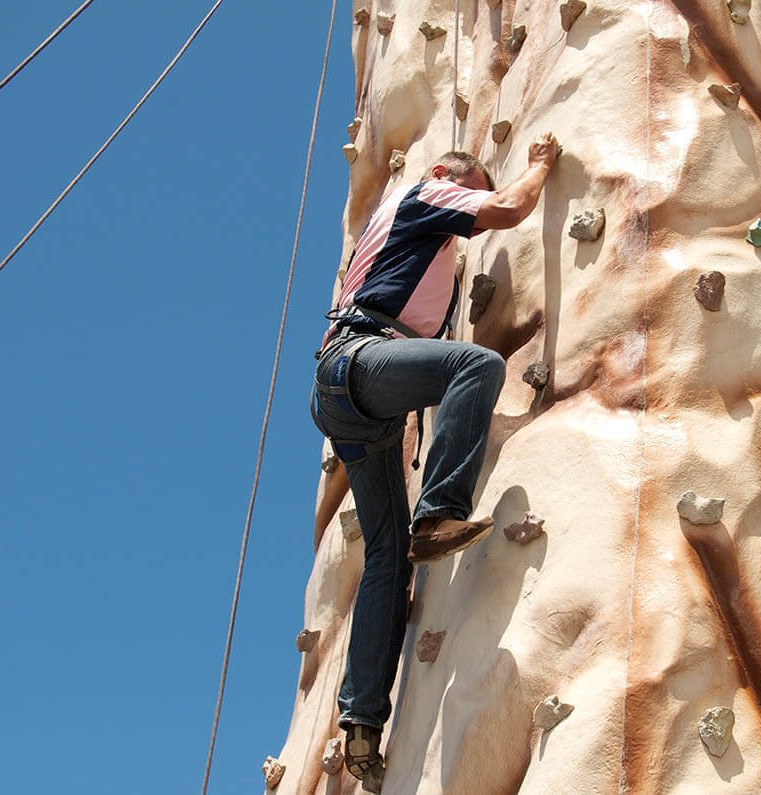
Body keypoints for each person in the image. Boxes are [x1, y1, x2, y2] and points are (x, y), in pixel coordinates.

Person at [310, 134, 559, 788]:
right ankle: (440, 511)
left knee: (387, 562)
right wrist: (537, 168)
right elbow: (505, 208)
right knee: (476, 367)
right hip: (363, 362)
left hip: (352, 395)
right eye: (465, 188)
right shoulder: (427, 192)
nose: (463, 217)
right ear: (449, 175)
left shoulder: (390, 229)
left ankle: (362, 722)